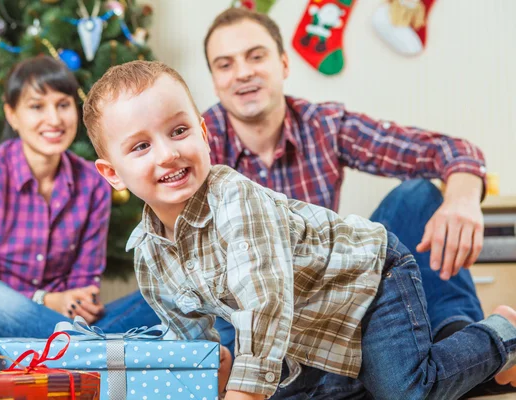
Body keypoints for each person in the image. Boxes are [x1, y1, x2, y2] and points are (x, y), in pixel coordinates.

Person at [83, 60, 516, 400]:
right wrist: (208, 374)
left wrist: (243, 391)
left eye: (179, 131)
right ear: (112, 173)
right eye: (141, 146)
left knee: (405, 390)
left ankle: (501, 334)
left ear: (202, 133)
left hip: (371, 280)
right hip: (314, 322)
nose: (168, 153)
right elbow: (188, 332)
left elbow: (264, 305)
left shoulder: (233, 197)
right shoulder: (149, 250)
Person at [202, 7, 489, 351]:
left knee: (417, 197)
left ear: (283, 64)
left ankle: (464, 342)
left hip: (333, 298)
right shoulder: (197, 143)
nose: (243, 73)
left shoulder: (325, 125)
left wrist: (462, 198)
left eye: (256, 56)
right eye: (225, 64)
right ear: (215, 81)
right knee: (133, 322)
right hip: (245, 313)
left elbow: (448, 150)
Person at [0, 55, 158, 338]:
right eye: (36, 106)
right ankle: (91, 350)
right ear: (12, 115)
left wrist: (80, 302)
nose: (55, 119)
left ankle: (81, 349)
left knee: (171, 295)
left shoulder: (92, 183)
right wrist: (45, 300)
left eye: (63, 105)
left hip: (70, 326)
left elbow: (84, 284)